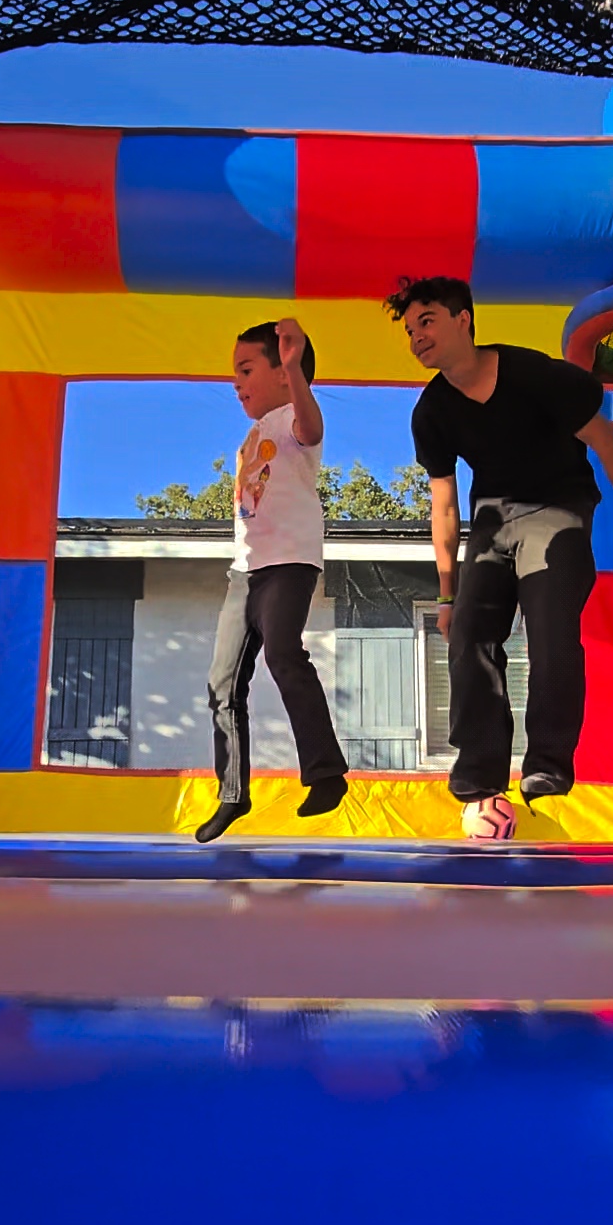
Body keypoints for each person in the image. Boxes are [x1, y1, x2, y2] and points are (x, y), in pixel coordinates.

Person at [385, 276, 613, 813]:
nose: (417, 337)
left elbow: (604, 438)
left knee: (551, 626)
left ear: (462, 319)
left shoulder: (532, 374)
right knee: (469, 632)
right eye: (409, 330)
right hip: (493, 518)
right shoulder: (433, 412)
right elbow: (443, 506)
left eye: (427, 322)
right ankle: (480, 766)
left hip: (558, 506)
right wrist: (447, 595)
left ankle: (547, 763)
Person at [194, 319, 349, 843]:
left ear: (284, 374)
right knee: (222, 681)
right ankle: (232, 793)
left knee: (283, 653)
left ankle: (326, 773)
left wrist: (294, 369)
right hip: (247, 572)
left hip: (289, 563)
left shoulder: (290, 418)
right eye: (233, 374)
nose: (236, 383)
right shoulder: (251, 436)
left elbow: (312, 426)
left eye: (246, 370)